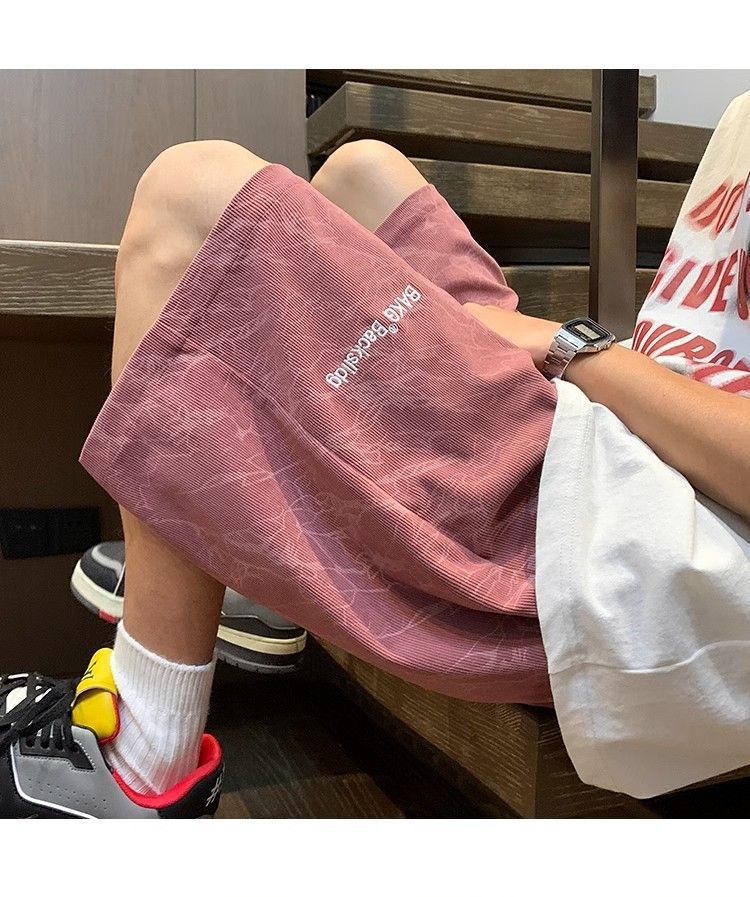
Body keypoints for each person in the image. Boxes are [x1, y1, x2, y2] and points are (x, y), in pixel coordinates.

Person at [2, 91, 750, 818]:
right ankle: (282, 545)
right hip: (629, 449)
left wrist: (573, 350)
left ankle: (144, 748)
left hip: (636, 543)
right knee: (362, 173)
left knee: (188, 198)